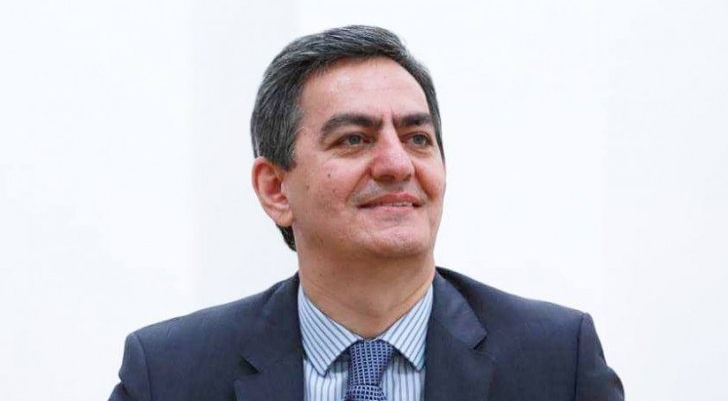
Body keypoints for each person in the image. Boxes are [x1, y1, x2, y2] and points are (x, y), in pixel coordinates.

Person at [109, 25, 623, 401]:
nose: (398, 164)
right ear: (275, 189)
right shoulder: (170, 375)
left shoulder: (557, 362)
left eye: (418, 138)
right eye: (354, 139)